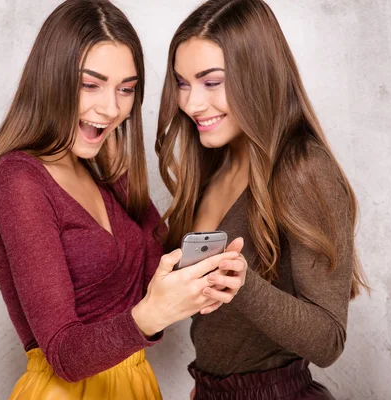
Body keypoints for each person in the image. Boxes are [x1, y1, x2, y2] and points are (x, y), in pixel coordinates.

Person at [0, 1, 247, 399]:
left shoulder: (96, 170)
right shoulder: (18, 182)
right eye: (90, 84)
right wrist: (150, 315)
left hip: (133, 384)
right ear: (51, 79)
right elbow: (64, 354)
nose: (111, 108)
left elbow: (150, 263)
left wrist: (123, 175)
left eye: (126, 89)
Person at [155, 0, 370, 399]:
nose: (191, 104)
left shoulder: (304, 171)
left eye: (211, 82)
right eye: (182, 83)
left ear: (257, 75)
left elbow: (329, 342)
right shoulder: (211, 163)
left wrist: (244, 286)